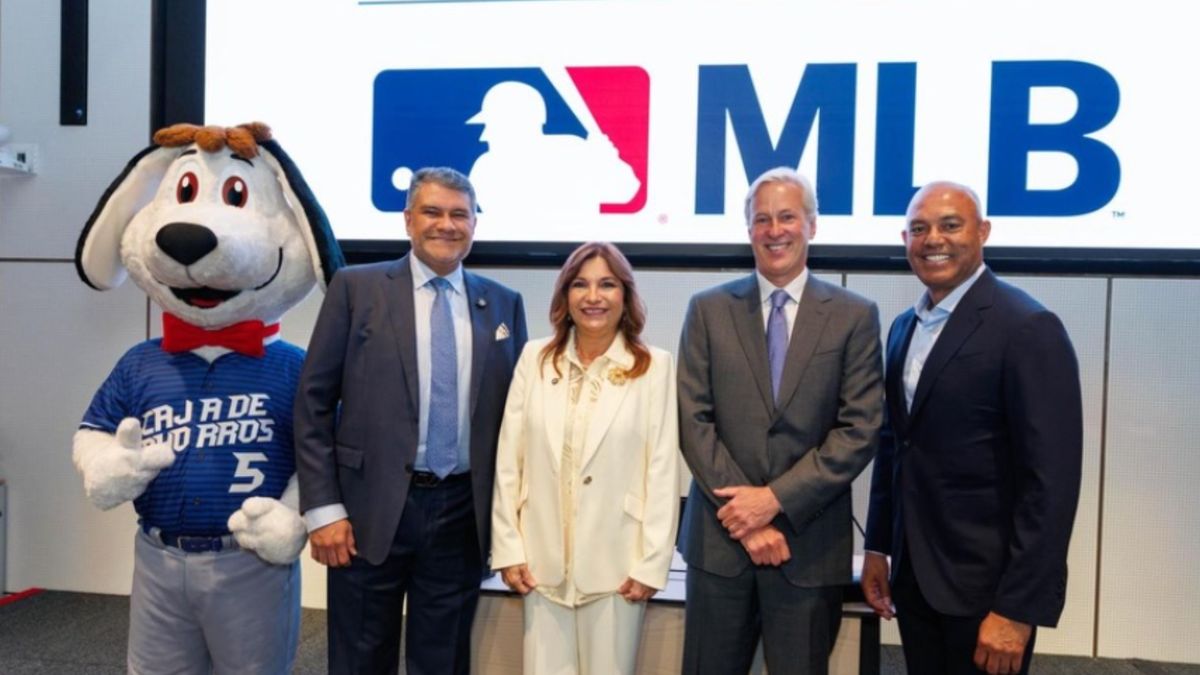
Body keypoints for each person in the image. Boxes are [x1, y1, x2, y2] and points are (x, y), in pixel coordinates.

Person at [294, 167, 528, 674]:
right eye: (433, 212)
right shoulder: (355, 289)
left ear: (474, 224)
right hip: (365, 512)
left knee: (442, 661)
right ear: (407, 220)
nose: (447, 224)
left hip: (460, 514)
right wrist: (323, 509)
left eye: (459, 214)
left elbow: (517, 416)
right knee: (360, 657)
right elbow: (312, 403)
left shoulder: (503, 304)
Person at [861, 181, 1083, 675]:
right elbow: (896, 446)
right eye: (919, 229)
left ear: (982, 232)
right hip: (916, 580)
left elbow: (1052, 485)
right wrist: (877, 547)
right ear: (905, 239)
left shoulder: (1027, 327)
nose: (932, 238)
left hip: (989, 596)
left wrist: (1019, 609)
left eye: (950, 225)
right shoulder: (905, 327)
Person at [677, 167, 884, 674]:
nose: (775, 231)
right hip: (720, 548)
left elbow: (858, 430)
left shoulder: (854, 316)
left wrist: (773, 501)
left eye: (788, 217)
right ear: (748, 229)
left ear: (812, 225)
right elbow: (693, 422)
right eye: (762, 219)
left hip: (808, 548)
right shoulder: (707, 310)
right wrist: (745, 520)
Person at [491, 242, 680, 675]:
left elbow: (663, 469)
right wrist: (508, 547)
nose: (593, 296)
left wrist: (653, 562)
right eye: (580, 284)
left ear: (625, 296)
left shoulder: (654, 366)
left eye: (607, 284)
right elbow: (508, 462)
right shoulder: (535, 359)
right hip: (540, 562)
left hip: (618, 563)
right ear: (565, 296)